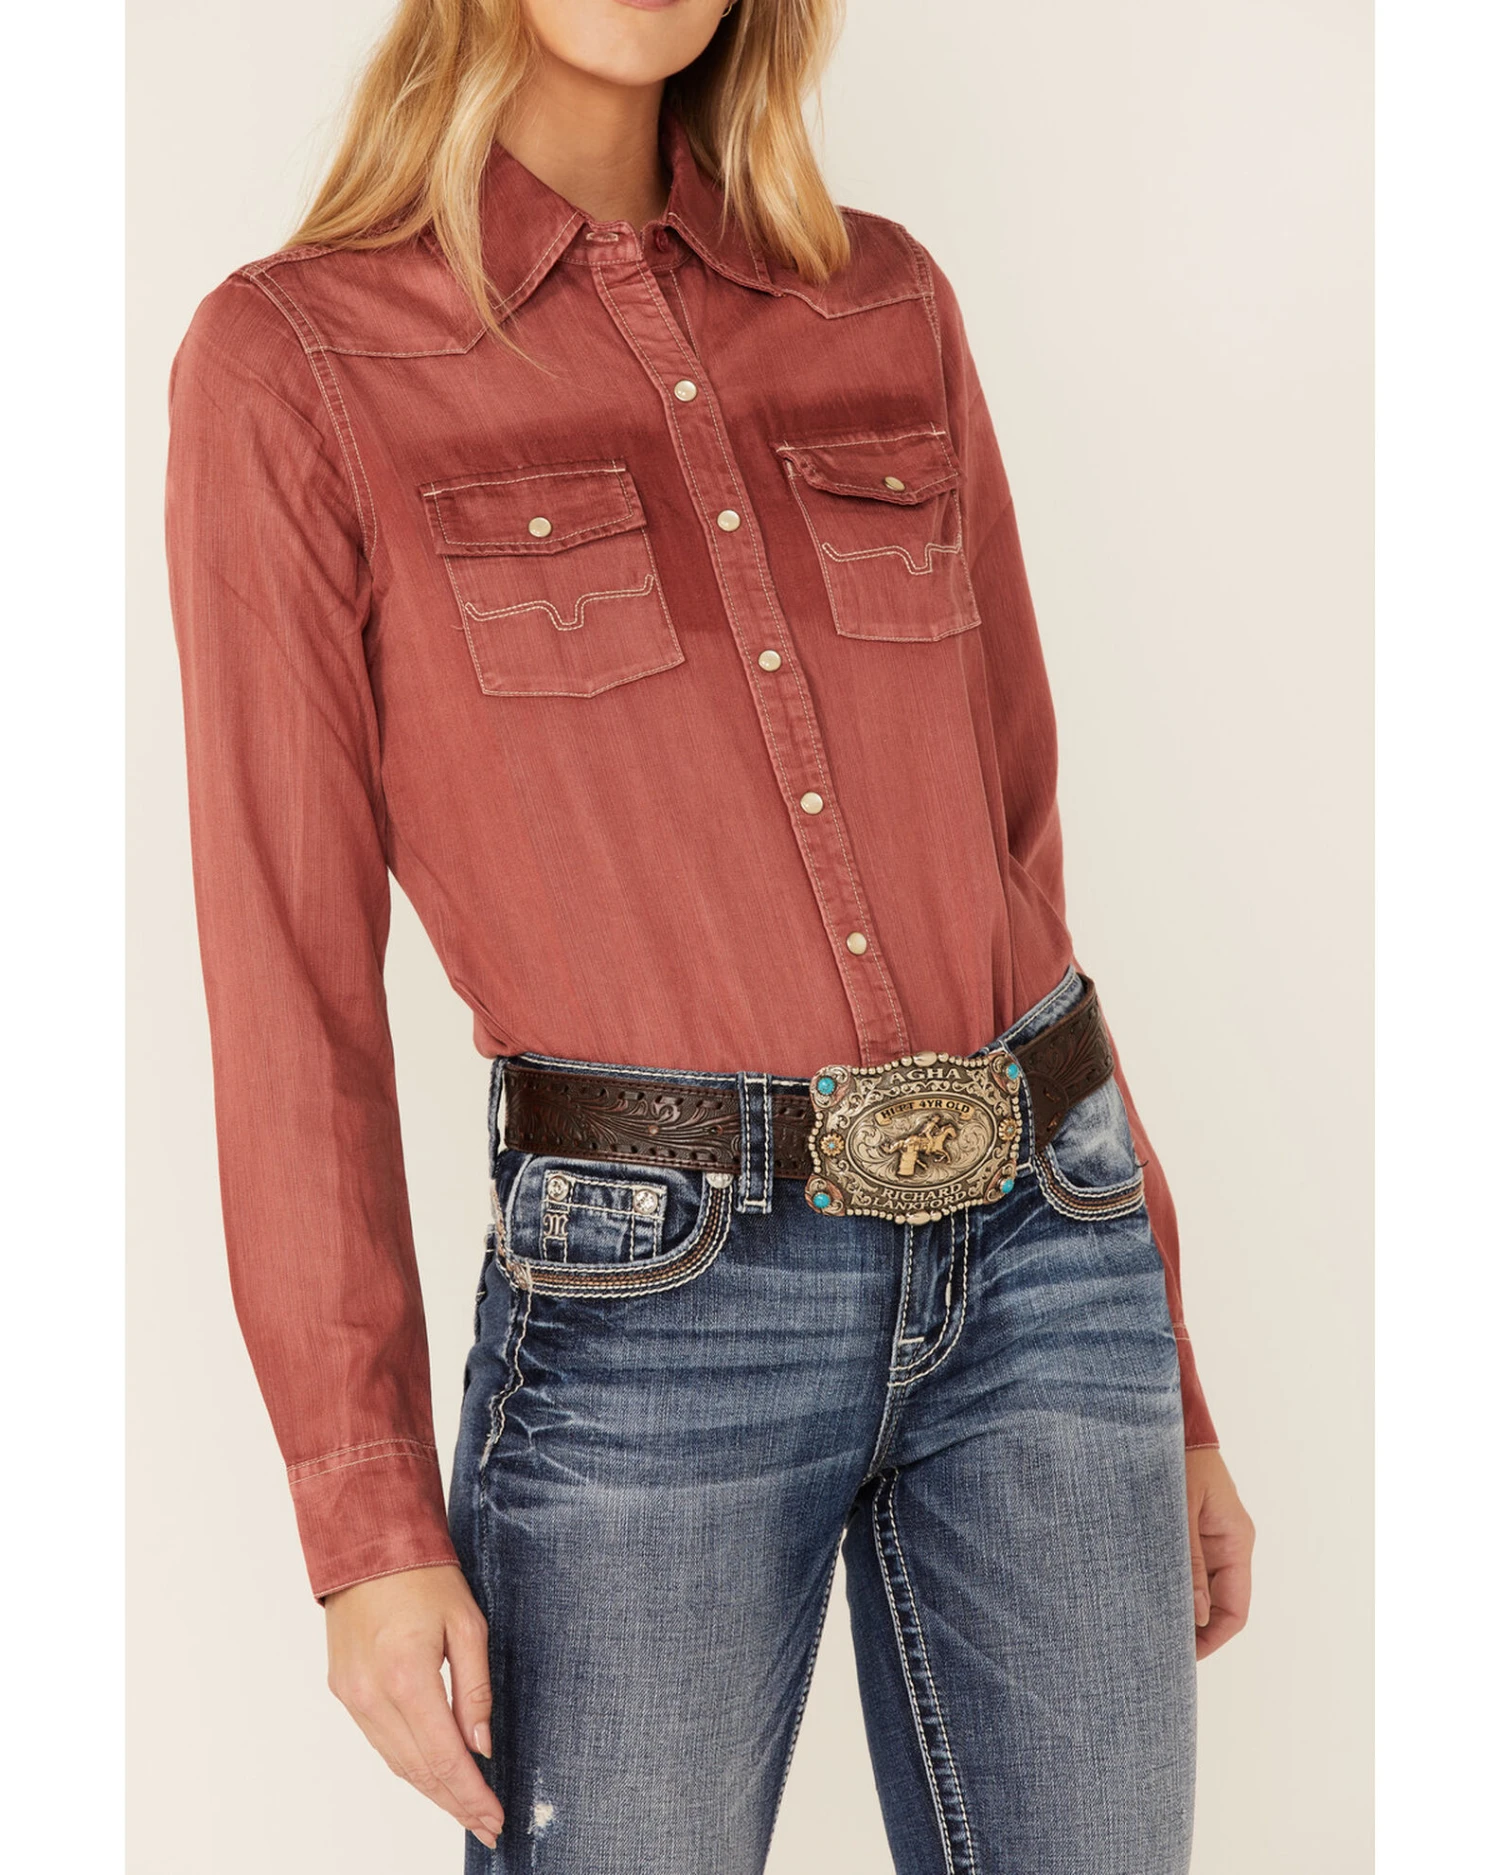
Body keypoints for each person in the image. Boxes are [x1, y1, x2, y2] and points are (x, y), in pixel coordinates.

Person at [165, 1, 1255, 1869]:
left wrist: (1170, 1367)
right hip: (657, 1309)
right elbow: (287, 977)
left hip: (1044, 1265)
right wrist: (364, 1521)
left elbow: (1017, 868)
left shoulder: (887, 303)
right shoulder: (294, 361)